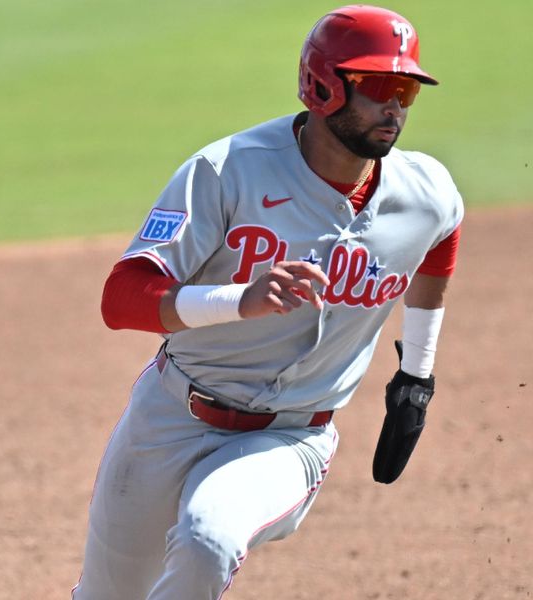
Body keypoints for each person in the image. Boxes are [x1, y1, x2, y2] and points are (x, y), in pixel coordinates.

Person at [72, 5, 463, 599]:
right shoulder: (226, 171)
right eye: (380, 86)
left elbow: (440, 240)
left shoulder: (425, 193)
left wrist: (417, 376)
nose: (396, 107)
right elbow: (122, 297)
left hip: (289, 440)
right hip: (170, 416)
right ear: (323, 85)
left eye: (407, 89)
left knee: (209, 538)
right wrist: (238, 300)